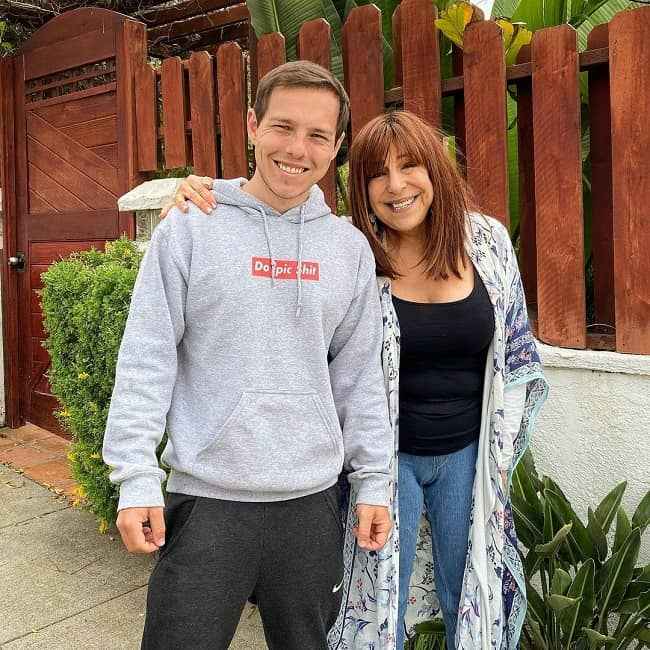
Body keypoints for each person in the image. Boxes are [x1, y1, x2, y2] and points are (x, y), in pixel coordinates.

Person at [169, 110, 548, 649]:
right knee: (375, 601)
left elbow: (515, 356)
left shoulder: (484, 242)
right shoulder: (350, 252)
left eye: (411, 166)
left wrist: (499, 454)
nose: (396, 186)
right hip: (379, 463)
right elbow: (270, 232)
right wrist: (205, 197)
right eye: (377, 173)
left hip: (468, 455)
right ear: (359, 187)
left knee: (470, 589)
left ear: (436, 171)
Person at [102, 60, 394, 650]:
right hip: (208, 504)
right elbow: (147, 357)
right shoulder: (190, 226)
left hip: (311, 507)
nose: (297, 149)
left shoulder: (348, 249)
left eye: (317, 136)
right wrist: (135, 477)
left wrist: (374, 483)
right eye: (282, 127)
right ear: (252, 125)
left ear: (336, 147)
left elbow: (361, 378)